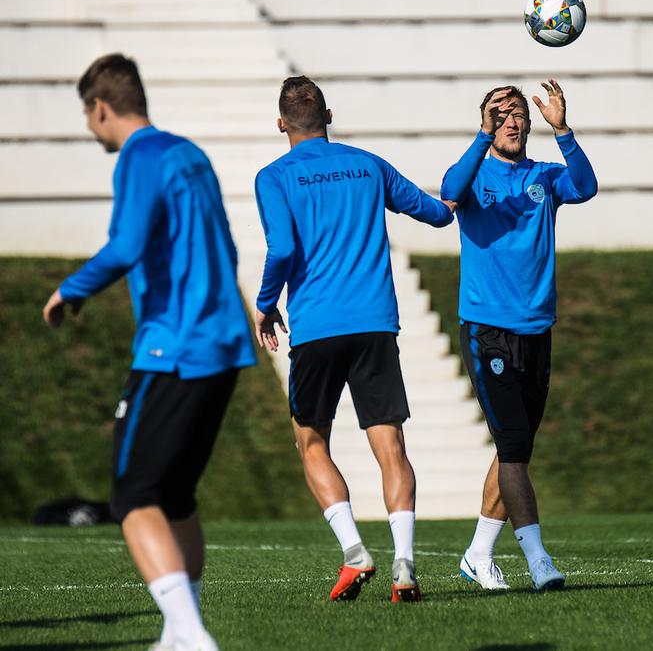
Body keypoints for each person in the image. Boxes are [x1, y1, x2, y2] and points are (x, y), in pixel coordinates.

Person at [42, 53, 257, 651]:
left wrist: (69, 290)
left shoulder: (140, 156)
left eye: (87, 116)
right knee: (176, 497)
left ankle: (190, 634)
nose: (90, 129)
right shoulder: (190, 154)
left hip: (173, 349)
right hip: (223, 346)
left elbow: (126, 244)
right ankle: (177, 631)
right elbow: (226, 247)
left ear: (100, 107)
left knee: (133, 496)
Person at [252, 76, 454, 603]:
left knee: (311, 441)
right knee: (390, 447)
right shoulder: (368, 164)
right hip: (374, 325)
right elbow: (436, 212)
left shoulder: (273, 177)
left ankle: (354, 553)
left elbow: (281, 247)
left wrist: (266, 302)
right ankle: (404, 565)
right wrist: (475, 157)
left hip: (316, 328)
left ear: (280, 124)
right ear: (330, 116)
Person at [440, 80, 598, 591]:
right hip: (488, 329)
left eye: (516, 114)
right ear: (488, 121)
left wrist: (564, 130)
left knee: (516, 450)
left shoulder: (545, 177)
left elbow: (587, 186)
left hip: (537, 329)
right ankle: (537, 559)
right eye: (499, 113)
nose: (511, 120)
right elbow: (449, 192)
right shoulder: (474, 172)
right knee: (511, 446)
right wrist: (480, 135)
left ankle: (478, 554)